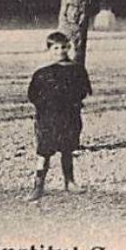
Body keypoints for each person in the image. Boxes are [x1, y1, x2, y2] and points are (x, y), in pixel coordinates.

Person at [25, 31, 91, 201]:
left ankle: (69, 181)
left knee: (67, 149)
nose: (60, 51)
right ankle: (38, 186)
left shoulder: (77, 70)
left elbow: (84, 91)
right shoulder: (41, 73)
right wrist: (46, 106)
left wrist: (71, 101)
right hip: (48, 118)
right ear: (49, 50)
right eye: (55, 48)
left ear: (68, 47)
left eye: (63, 47)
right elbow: (33, 95)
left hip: (69, 116)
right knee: (44, 152)